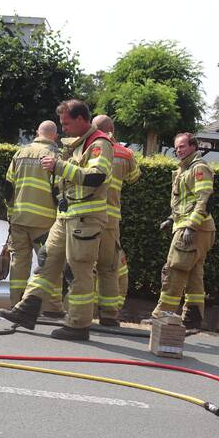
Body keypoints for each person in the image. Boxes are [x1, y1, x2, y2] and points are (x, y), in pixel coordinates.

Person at [0, 99, 112, 341]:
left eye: (67, 123)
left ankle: (78, 325)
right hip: (66, 216)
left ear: (81, 119)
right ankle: (27, 310)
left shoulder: (99, 144)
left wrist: (60, 167)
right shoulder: (78, 144)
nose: (64, 129)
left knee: (79, 270)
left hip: (85, 219)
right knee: (46, 261)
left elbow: (97, 177)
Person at [146, 132, 215, 329]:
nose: (178, 151)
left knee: (174, 270)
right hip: (198, 229)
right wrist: (171, 219)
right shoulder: (185, 169)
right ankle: (193, 319)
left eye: (182, 147)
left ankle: (162, 315)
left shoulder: (198, 168)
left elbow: (204, 200)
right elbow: (186, 202)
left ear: (193, 146)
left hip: (193, 229)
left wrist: (190, 226)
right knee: (193, 273)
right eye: (176, 148)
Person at [1, 120, 65, 314]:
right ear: (55, 136)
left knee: (19, 263)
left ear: (38, 132)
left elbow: (8, 188)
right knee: (50, 263)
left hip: (19, 218)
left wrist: (10, 212)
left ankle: (16, 304)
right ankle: (52, 307)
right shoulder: (57, 157)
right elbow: (60, 192)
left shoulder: (20, 153)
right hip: (45, 221)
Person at [92, 114, 140, 325]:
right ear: (113, 129)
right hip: (111, 218)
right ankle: (109, 315)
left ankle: (80, 312)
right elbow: (134, 177)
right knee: (110, 266)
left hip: (86, 215)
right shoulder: (125, 153)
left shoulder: (87, 147)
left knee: (83, 265)